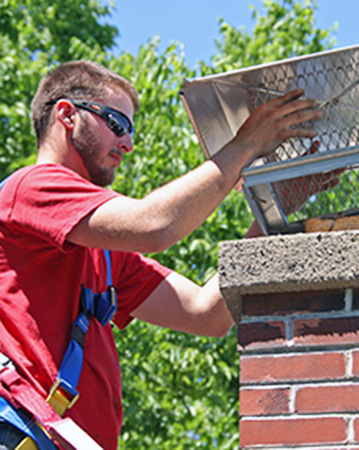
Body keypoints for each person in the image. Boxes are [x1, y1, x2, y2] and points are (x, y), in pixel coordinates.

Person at [0, 60, 322, 449]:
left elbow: (208, 313)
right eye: (116, 123)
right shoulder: (31, 187)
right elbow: (155, 225)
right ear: (66, 115)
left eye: (131, 130)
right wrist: (245, 144)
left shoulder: (104, 253)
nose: (128, 143)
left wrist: (274, 211)